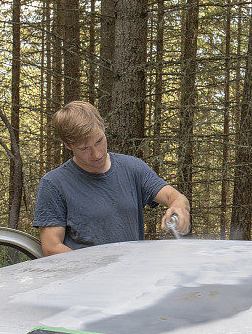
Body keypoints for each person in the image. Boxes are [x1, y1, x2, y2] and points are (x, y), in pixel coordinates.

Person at [33, 101, 190, 256]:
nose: (97, 154)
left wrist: (178, 206)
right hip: (85, 279)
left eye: (99, 141)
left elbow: (175, 197)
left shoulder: (133, 168)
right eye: (84, 148)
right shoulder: (53, 184)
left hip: (132, 276)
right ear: (68, 145)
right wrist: (99, 270)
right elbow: (51, 247)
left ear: (103, 128)